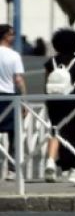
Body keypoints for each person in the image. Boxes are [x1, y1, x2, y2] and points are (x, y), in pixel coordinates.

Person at [43, 28, 75, 184]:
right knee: (73, 134)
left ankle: (52, 162)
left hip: (54, 102)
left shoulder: (51, 62)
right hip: (73, 103)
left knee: (56, 131)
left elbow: (46, 84)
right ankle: (73, 169)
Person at [0, 24, 25, 181]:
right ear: (5, 36)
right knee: (13, 134)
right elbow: (18, 80)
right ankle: (12, 169)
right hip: (9, 97)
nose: (14, 37)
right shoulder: (14, 56)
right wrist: (24, 101)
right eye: (12, 34)